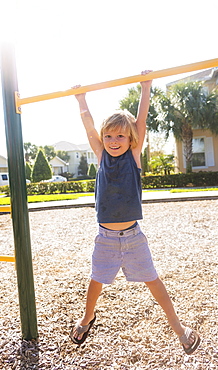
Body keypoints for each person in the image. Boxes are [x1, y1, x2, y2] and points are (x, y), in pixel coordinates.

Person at [70, 71, 200, 355]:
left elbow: (141, 120)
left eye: (120, 136)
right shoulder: (101, 156)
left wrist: (146, 87)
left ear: (131, 140)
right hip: (105, 238)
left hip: (133, 238)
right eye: (109, 136)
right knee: (96, 280)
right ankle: (87, 317)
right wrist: (81, 99)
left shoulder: (134, 156)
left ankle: (180, 330)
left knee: (153, 280)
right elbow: (88, 127)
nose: (113, 140)